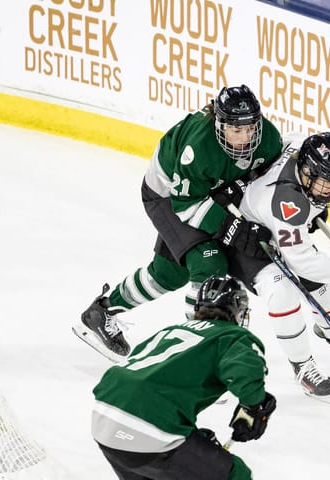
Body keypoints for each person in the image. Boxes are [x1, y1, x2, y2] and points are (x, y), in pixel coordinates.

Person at [74, 85, 283, 361]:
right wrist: (234, 230)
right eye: (236, 130)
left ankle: (101, 312)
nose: (246, 138)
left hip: (210, 191)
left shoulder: (267, 137)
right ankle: (197, 353)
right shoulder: (198, 149)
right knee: (209, 264)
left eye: (250, 128)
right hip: (169, 196)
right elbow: (186, 204)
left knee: (169, 273)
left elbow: (274, 175)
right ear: (220, 124)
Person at [214, 132, 330, 404]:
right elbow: (302, 260)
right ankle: (302, 366)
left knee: (321, 283)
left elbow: (282, 145)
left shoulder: (300, 146)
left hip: (273, 223)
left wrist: (312, 207)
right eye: (326, 181)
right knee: (283, 292)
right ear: (306, 172)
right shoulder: (287, 204)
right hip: (248, 238)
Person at [91, 275, 276, 480]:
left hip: (104, 420)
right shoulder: (232, 336)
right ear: (236, 309)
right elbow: (246, 373)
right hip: (149, 426)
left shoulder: (172, 330)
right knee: (235, 474)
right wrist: (254, 405)